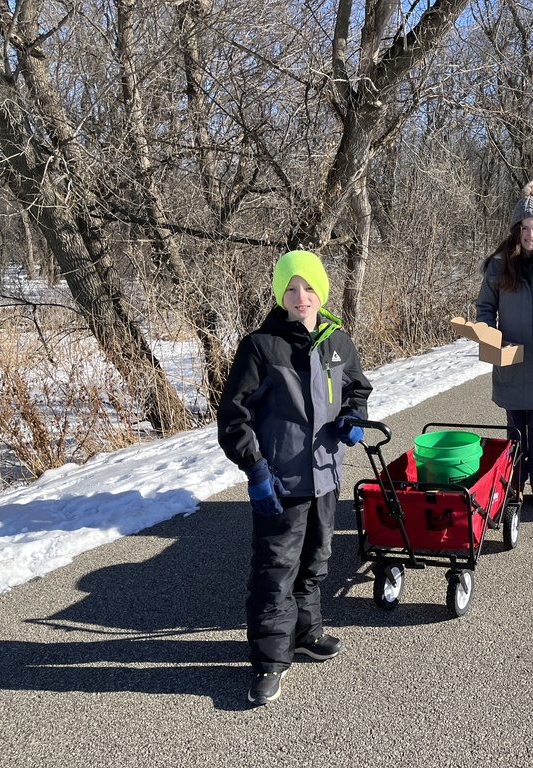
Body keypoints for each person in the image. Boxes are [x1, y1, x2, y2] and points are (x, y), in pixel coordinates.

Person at [217, 249, 372, 706]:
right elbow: (234, 417)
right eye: (290, 288)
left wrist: (353, 417)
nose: (300, 296)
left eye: (307, 287)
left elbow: (356, 389)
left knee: (316, 562)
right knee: (275, 572)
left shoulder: (337, 341)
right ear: (279, 294)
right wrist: (255, 470)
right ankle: (269, 661)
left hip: (325, 476)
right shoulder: (260, 346)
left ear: (321, 291)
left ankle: (306, 633)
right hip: (280, 482)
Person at [476, 181, 533, 510]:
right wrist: (489, 334)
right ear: (516, 230)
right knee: (515, 427)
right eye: (525, 228)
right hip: (510, 359)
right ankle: (514, 481)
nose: (530, 234)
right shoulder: (498, 266)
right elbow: (485, 308)